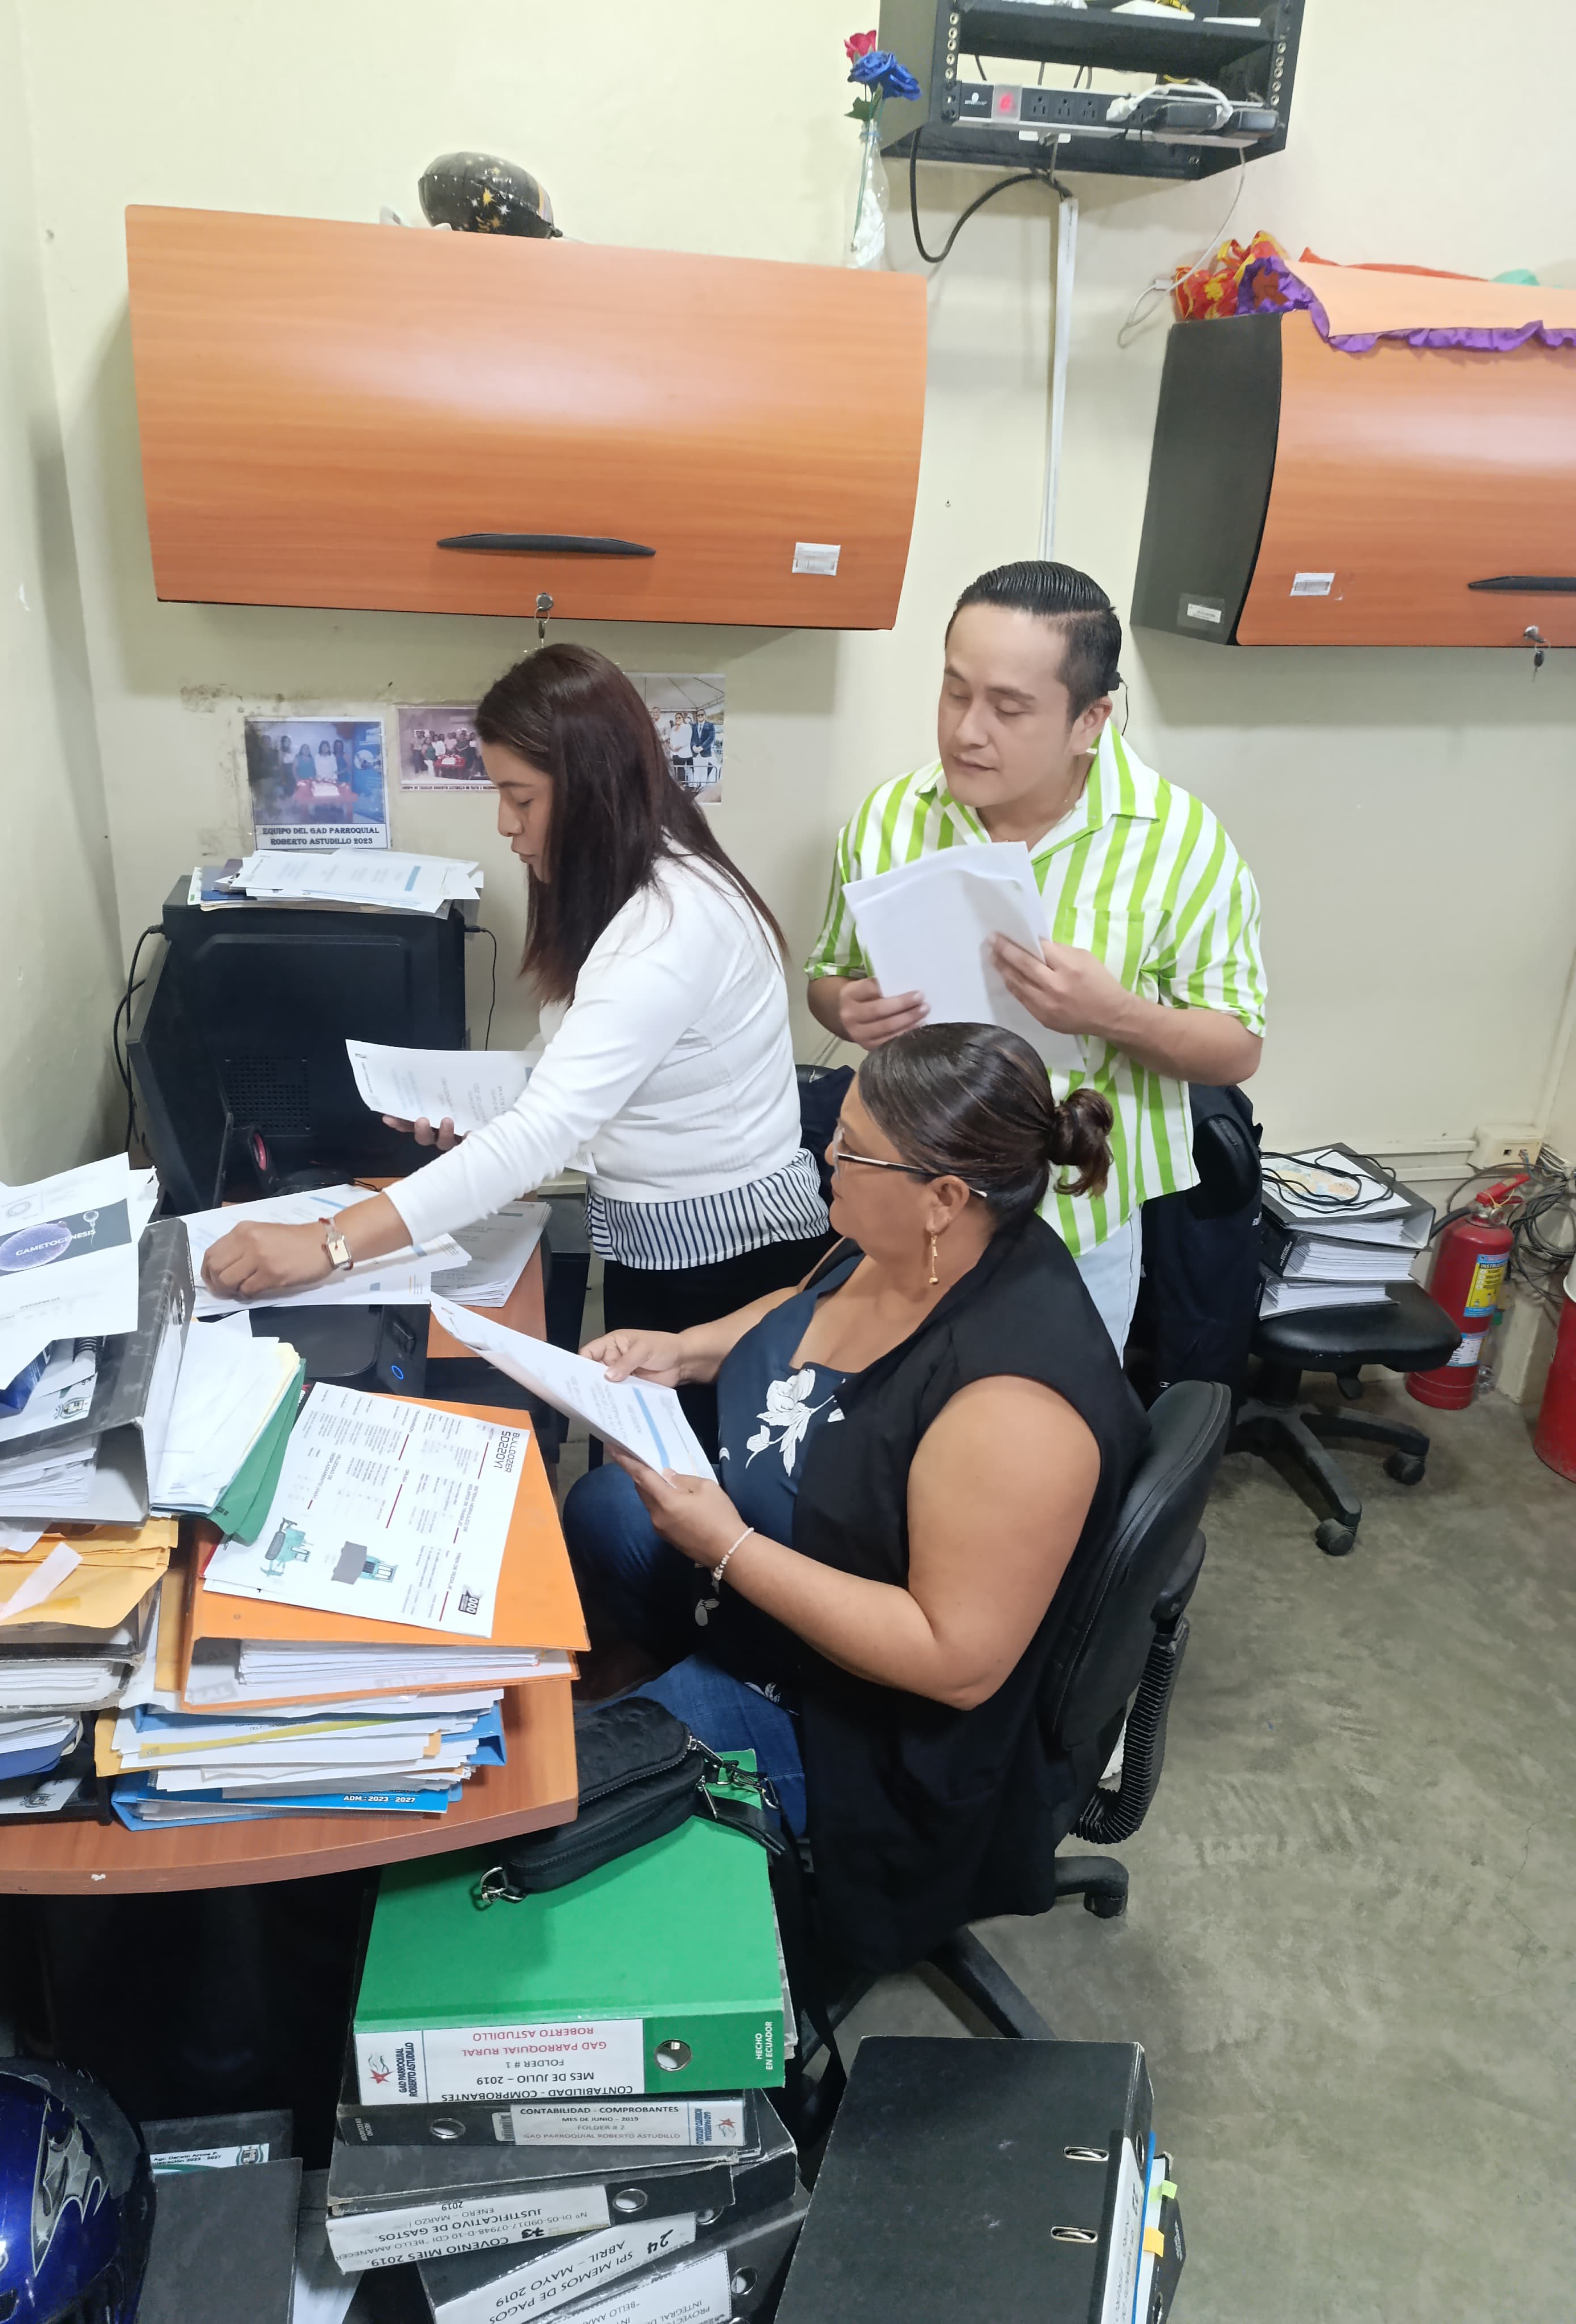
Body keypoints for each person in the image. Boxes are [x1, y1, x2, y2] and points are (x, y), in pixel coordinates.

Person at [563, 1021, 1148, 1973]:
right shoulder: (908, 1241)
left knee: (554, 1792)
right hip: (780, 1576)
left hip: (866, 1729)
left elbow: (953, 1662)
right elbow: (803, 1309)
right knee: (601, 1510)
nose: (826, 1156)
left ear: (944, 1196)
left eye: (851, 1147)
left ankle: (753, 1839)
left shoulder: (1012, 1406)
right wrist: (683, 1350)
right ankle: (667, 1700)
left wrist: (728, 1548)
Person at [201, 644, 833, 1436]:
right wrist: (483, 1111)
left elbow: (545, 1133)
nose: (505, 824)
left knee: (682, 1479)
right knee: (639, 1458)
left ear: (594, 792)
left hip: (725, 1265)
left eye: (520, 797)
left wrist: (328, 1245)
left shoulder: (669, 927)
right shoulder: (628, 886)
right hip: (659, 1241)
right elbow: (594, 1070)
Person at [806, 559, 1266, 1355]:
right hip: (904, 1207)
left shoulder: (1180, 842)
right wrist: (845, 1008)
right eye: (955, 692)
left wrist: (1115, 1015)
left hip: (1076, 1223)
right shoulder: (889, 818)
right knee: (886, 1417)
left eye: (1009, 708)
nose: (967, 731)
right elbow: (829, 976)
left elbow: (1237, 1047)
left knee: (1048, 1421)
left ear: (1090, 719)